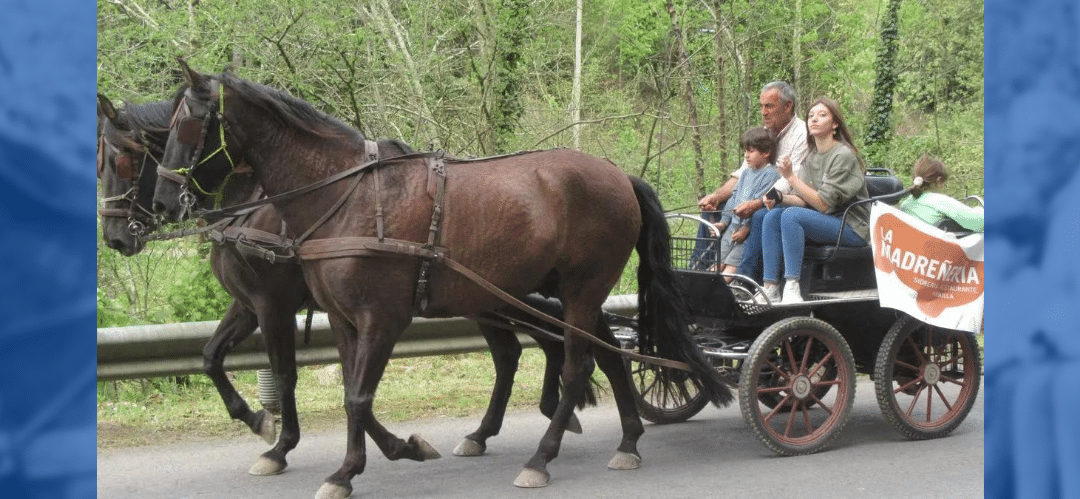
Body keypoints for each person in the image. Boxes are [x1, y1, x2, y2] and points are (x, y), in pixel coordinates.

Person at [750, 97, 870, 304]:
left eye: (822, 115)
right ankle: (771, 287)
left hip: (851, 226)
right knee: (772, 216)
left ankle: (792, 286)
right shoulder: (812, 156)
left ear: (834, 124)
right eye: (811, 116)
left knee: (791, 216)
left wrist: (790, 177)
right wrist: (780, 197)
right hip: (826, 220)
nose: (814, 119)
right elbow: (806, 200)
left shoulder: (842, 155)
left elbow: (823, 204)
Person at [702, 127, 781, 277]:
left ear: (766, 153)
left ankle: (724, 293)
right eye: (745, 151)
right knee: (718, 262)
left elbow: (761, 205)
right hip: (732, 226)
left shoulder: (771, 174)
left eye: (751, 151)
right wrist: (723, 223)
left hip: (746, 232)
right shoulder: (745, 173)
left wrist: (747, 228)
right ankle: (705, 288)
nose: (746, 155)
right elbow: (734, 198)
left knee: (732, 266)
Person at [897, 154, 984, 232]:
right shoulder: (939, 200)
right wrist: (979, 210)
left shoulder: (905, 204)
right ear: (939, 181)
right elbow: (979, 222)